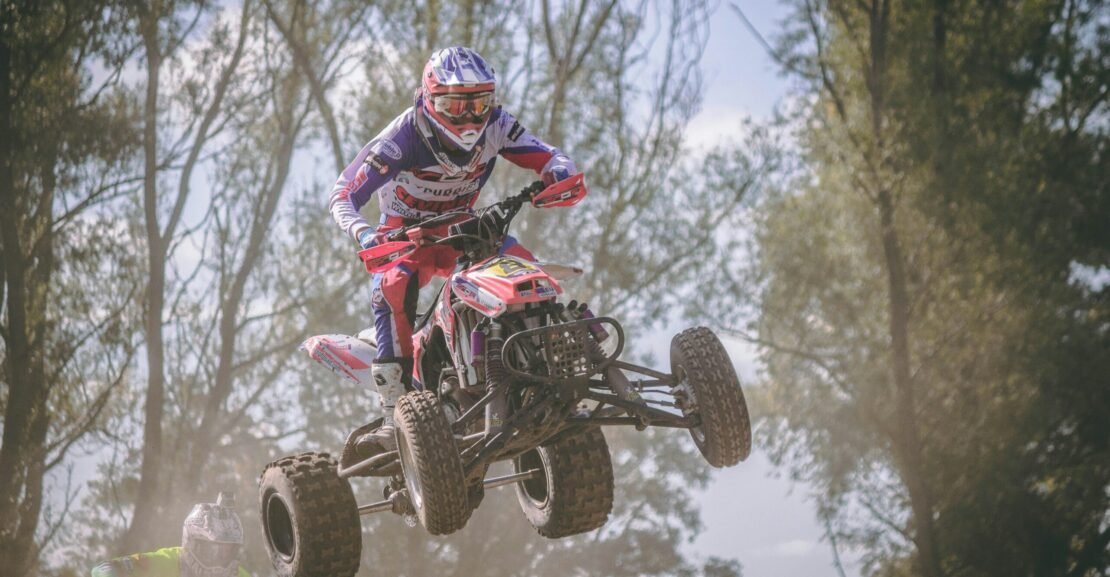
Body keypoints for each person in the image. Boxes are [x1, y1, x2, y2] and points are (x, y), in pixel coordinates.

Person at [328, 46, 579, 453]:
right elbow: (343, 193)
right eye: (453, 104)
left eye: (478, 103)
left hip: (463, 226)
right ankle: (397, 411)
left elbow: (546, 153)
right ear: (429, 100)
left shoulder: (497, 124)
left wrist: (560, 170)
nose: (467, 117)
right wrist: (363, 233)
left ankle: (553, 352)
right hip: (403, 235)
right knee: (390, 288)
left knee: (526, 267)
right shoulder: (401, 137)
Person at [90, 493, 248, 577]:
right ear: (194, 542)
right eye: (215, 550)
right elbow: (101, 569)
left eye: (228, 551)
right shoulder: (166, 562)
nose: (221, 559)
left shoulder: (236, 574)